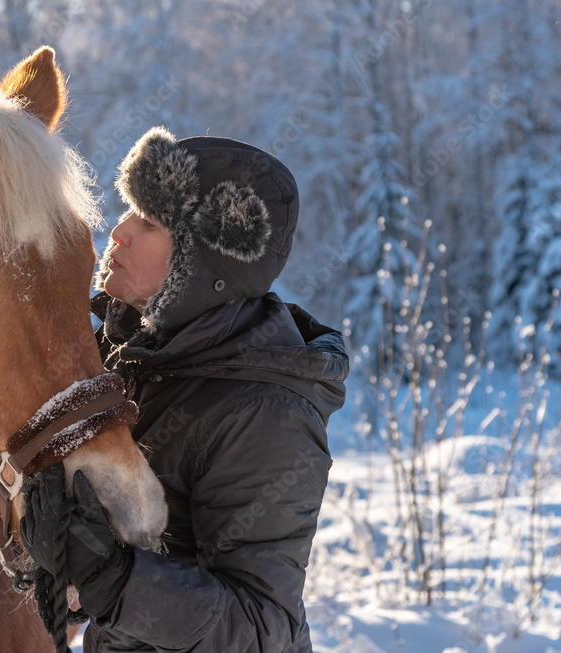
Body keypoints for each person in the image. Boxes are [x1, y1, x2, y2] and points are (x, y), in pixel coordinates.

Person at [20, 126, 350, 652]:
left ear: (203, 266)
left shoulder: (264, 411)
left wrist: (113, 580)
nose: (118, 232)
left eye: (147, 221)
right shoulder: (125, 355)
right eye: (127, 211)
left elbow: (262, 629)